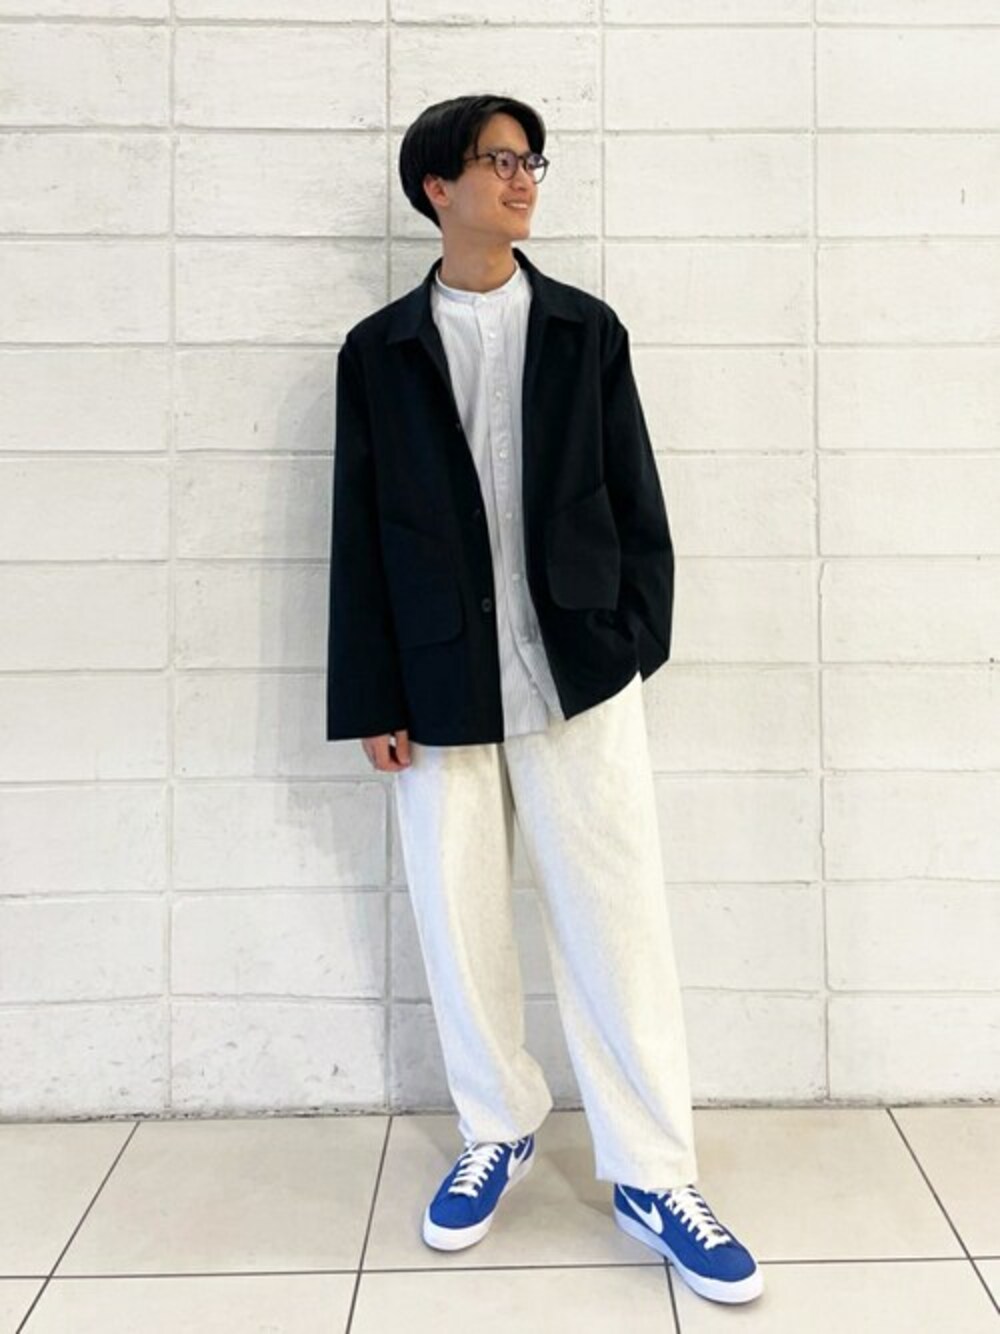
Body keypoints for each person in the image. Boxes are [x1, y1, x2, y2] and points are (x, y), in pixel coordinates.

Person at [326, 93, 763, 1306]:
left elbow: (636, 498)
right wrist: (372, 690)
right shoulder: (378, 350)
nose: (523, 179)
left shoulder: (584, 330)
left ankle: (652, 1171)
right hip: (433, 677)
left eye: (531, 161)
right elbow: (358, 533)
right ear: (438, 187)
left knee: (619, 922)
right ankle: (496, 1125)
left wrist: (631, 642)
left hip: (578, 671)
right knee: (458, 918)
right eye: (499, 160)